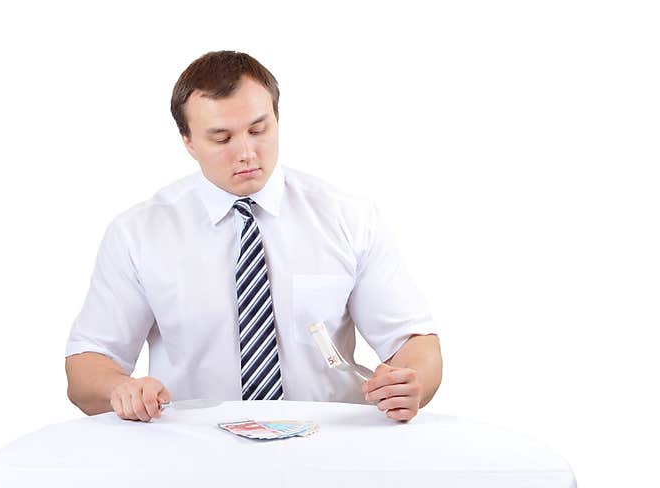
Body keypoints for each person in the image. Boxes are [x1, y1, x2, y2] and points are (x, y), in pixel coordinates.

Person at [65, 50, 442, 423]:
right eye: (222, 138)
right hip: (192, 452)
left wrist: (413, 382)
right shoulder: (138, 234)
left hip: (328, 447)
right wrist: (120, 388)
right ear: (188, 141)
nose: (246, 152)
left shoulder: (349, 218)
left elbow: (413, 342)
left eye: (258, 130)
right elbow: (86, 367)